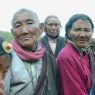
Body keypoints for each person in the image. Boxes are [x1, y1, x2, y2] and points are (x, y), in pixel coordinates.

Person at [4, 8, 59, 95]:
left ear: (41, 28)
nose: (24, 31)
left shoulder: (49, 59)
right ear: (13, 32)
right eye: (18, 26)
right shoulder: (6, 59)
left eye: (29, 23)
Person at [57, 14, 94, 95]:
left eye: (87, 30)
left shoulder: (87, 53)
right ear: (68, 32)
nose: (82, 35)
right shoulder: (66, 56)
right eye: (77, 30)